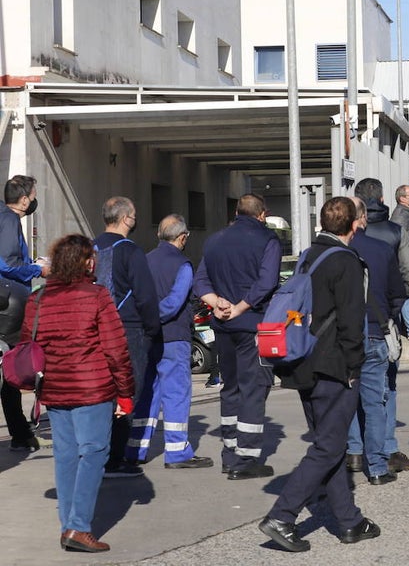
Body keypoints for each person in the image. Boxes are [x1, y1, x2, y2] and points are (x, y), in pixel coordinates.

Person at [258, 197, 380, 552]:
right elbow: (351, 322)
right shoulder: (346, 261)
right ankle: (282, 515)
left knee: (331, 442)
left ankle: (349, 521)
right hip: (334, 366)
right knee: (328, 446)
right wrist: (354, 368)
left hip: (303, 360)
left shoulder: (309, 256)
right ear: (354, 225)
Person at [29, 234, 134, 553]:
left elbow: (29, 343)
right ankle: (78, 527)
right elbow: (117, 349)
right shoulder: (97, 295)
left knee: (66, 455)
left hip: (56, 389)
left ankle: (69, 527)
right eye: (92, 258)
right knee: (94, 452)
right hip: (93, 388)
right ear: (86, 262)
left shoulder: (39, 299)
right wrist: (125, 393)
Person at [194, 194, 282, 480]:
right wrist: (241, 307)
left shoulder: (215, 240)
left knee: (230, 387)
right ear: (262, 215)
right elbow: (266, 282)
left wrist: (217, 302)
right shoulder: (267, 240)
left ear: (236, 211)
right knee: (253, 389)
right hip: (252, 324)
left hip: (222, 325)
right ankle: (247, 457)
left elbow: (200, 282)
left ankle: (229, 452)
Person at [346, 196, 409, 485]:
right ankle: (379, 462)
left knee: (348, 395)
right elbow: (406, 283)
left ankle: (353, 450)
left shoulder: (326, 252)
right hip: (376, 329)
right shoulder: (384, 244)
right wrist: (389, 315)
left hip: (341, 335)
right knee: (378, 398)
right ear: (361, 218)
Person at [129, 215, 213, 469]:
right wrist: (157, 317)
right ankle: (177, 452)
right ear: (183, 237)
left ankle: (136, 449)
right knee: (176, 392)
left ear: (158, 235)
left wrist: (146, 320)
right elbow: (175, 303)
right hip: (174, 337)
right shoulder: (184, 265)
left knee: (147, 393)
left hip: (147, 337)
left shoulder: (144, 260)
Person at [94, 196, 161, 478]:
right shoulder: (131, 252)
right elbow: (146, 295)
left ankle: (97, 453)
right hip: (128, 328)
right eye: (133, 215)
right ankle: (115, 459)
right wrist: (152, 329)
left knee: (99, 392)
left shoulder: (90, 247)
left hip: (94, 328)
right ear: (125, 219)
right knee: (126, 392)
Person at [0, 175, 49, 452]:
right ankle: (20, 432)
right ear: (23, 199)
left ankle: (20, 432)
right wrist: (37, 270)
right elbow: (6, 264)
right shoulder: (8, 220)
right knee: (16, 367)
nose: (33, 200)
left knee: (9, 371)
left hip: (6, 302)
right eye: (33, 194)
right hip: (8, 306)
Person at [390, 183, 409, 337]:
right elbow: (400, 241)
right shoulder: (400, 216)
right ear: (402, 198)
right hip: (404, 261)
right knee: (406, 296)